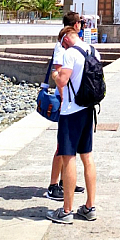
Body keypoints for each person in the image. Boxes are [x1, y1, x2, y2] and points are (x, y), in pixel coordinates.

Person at [45, 26, 101, 224]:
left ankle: (66, 210)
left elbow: (62, 81)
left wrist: (55, 75)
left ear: (65, 39)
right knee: (87, 156)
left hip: (71, 110)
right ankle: (89, 207)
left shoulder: (70, 53)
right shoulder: (93, 50)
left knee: (68, 158)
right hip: (89, 109)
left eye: (61, 42)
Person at [45, 12, 87, 202]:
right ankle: (53, 185)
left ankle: (65, 182)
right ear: (75, 25)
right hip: (65, 102)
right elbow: (59, 73)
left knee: (70, 147)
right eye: (80, 22)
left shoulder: (71, 45)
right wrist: (63, 100)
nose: (82, 25)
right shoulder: (63, 46)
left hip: (72, 102)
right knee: (61, 147)